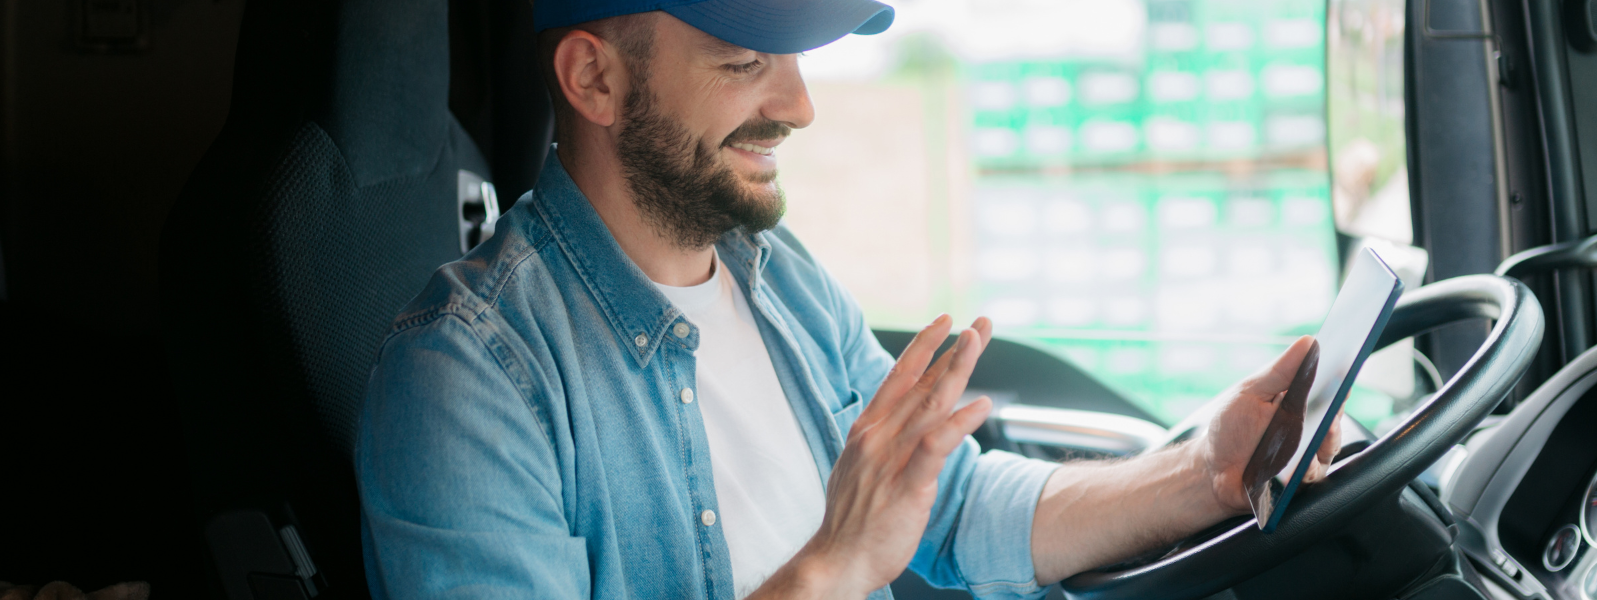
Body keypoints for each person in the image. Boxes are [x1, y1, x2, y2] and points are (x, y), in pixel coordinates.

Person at [353, 0, 1340, 598]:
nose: (799, 105)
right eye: (746, 63)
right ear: (596, 79)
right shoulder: (464, 380)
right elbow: (866, 542)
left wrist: (1202, 473)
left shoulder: (772, 275)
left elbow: (948, 514)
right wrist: (831, 568)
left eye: (793, 59)